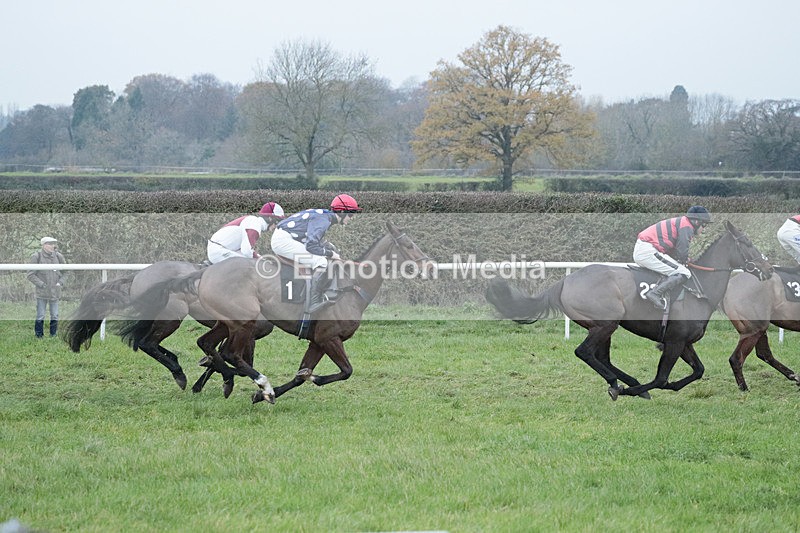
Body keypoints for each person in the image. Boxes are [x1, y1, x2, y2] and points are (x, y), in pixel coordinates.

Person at [271, 194, 362, 313]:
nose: (351, 217)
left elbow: (312, 238)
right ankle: (314, 302)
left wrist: (328, 247)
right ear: (341, 211)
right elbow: (311, 245)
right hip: (283, 241)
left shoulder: (324, 216)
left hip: (285, 237)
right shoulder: (323, 219)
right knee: (321, 262)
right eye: (350, 214)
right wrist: (330, 254)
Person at [633, 206, 712, 309]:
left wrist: (684, 259)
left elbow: (676, 251)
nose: (703, 229)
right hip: (648, 251)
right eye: (704, 225)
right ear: (697, 222)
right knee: (684, 272)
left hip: (647, 249)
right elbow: (682, 250)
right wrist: (684, 260)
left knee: (680, 268)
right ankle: (655, 293)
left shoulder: (682, 223)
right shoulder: (687, 227)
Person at [207, 202, 285, 264]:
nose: (275, 226)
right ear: (270, 218)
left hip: (221, 249)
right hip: (218, 251)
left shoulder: (254, 222)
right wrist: (262, 261)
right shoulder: (255, 225)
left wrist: (261, 258)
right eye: (277, 222)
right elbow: (247, 251)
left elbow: (246, 250)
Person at [27, 237, 66, 338]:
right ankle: (39, 336)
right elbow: (30, 275)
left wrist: (60, 282)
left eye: (53, 244)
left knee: (55, 315)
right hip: (42, 292)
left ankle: (53, 335)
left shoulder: (59, 256)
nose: (53, 246)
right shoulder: (36, 256)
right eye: (50, 244)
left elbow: (67, 272)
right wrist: (42, 285)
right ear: (44, 245)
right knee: (40, 315)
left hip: (55, 292)